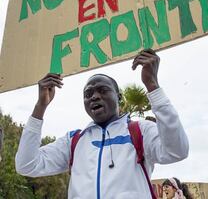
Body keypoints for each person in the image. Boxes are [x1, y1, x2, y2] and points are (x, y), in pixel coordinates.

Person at [15, 49, 189, 198]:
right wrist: (40, 106)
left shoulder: (140, 131)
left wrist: (152, 85)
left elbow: (177, 151)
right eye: (88, 93)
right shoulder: (73, 141)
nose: (94, 96)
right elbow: (26, 165)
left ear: (119, 97)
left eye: (103, 90)